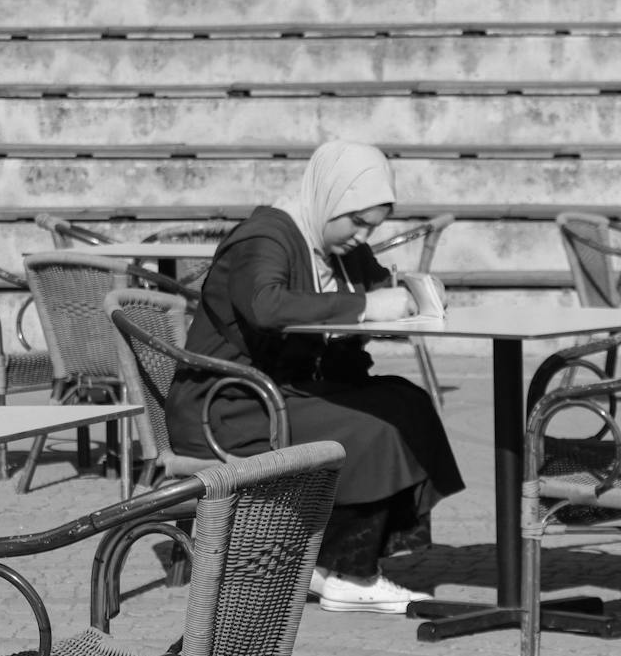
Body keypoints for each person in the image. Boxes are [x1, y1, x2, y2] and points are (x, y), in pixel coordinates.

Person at [166, 140, 464, 614]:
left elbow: (380, 285)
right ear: (331, 198)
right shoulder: (265, 237)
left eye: (372, 226)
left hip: (283, 393)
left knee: (407, 402)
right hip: (229, 405)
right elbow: (266, 305)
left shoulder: (339, 246)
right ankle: (346, 572)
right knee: (375, 426)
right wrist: (367, 307)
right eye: (357, 221)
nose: (361, 235)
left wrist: (417, 292)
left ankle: (345, 558)